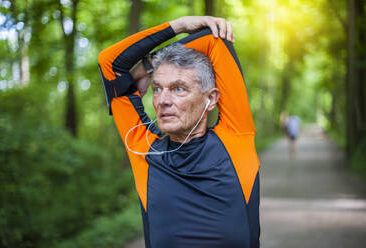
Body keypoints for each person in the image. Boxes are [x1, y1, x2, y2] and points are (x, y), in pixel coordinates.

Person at [98, 16, 260, 248]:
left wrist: (149, 65)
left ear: (211, 98)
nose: (163, 100)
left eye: (178, 88)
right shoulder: (143, 149)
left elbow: (214, 41)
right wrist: (180, 25)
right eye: (157, 89)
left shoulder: (236, 138)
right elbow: (109, 62)